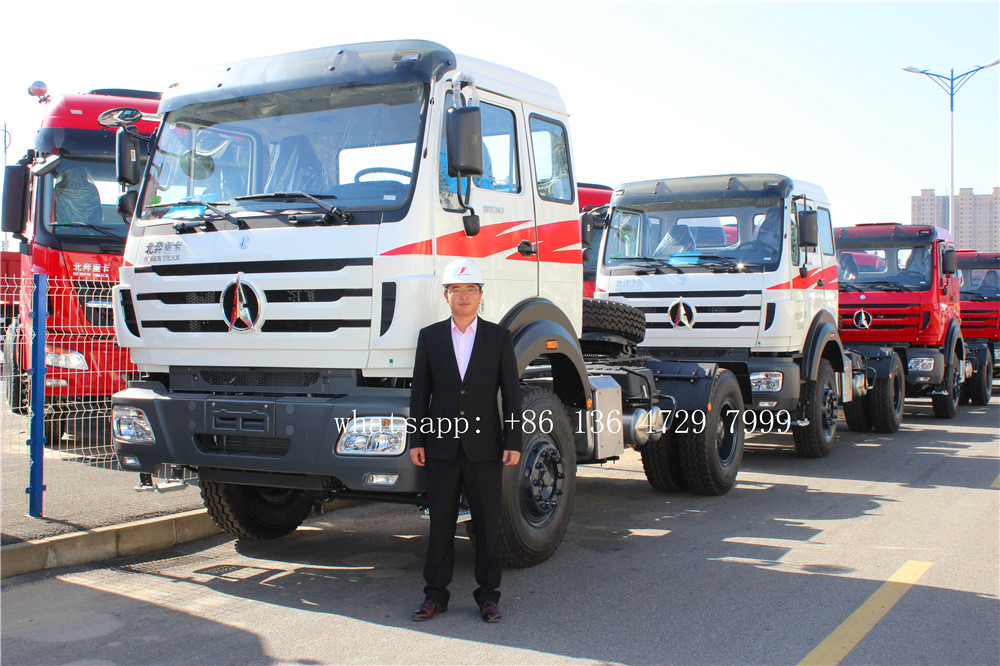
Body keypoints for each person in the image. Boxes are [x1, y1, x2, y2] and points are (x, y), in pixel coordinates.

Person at [408, 257, 522, 624]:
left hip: (485, 447)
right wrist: (417, 440)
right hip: (440, 446)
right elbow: (420, 393)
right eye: (456, 289)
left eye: (470, 289)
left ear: (480, 294)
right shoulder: (429, 337)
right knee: (440, 522)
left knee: (487, 523)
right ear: (446, 295)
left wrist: (514, 440)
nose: (463, 296)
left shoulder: (498, 338)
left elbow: (512, 393)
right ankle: (435, 596)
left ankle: (488, 597)